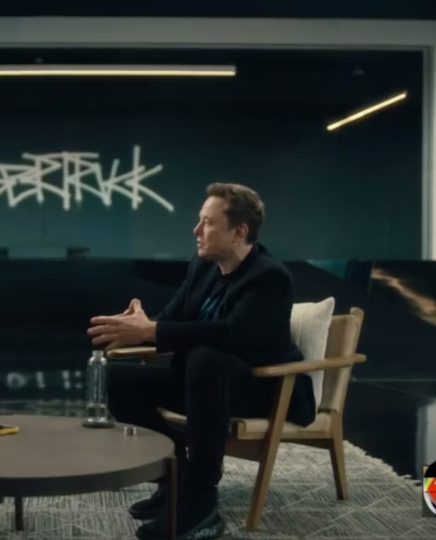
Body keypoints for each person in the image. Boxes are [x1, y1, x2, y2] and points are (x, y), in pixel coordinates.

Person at [86, 183, 316, 540]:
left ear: (239, 231)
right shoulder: (203, 266)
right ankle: (175, 480)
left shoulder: (269, 278)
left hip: (262, 390)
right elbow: (173, 319)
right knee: (113, 377)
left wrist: (153, 330)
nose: (196, 230)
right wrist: (139, 326)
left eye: (207, 223)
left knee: (207, 357)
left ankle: (201, 499)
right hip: (202, 385)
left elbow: (231, 334)